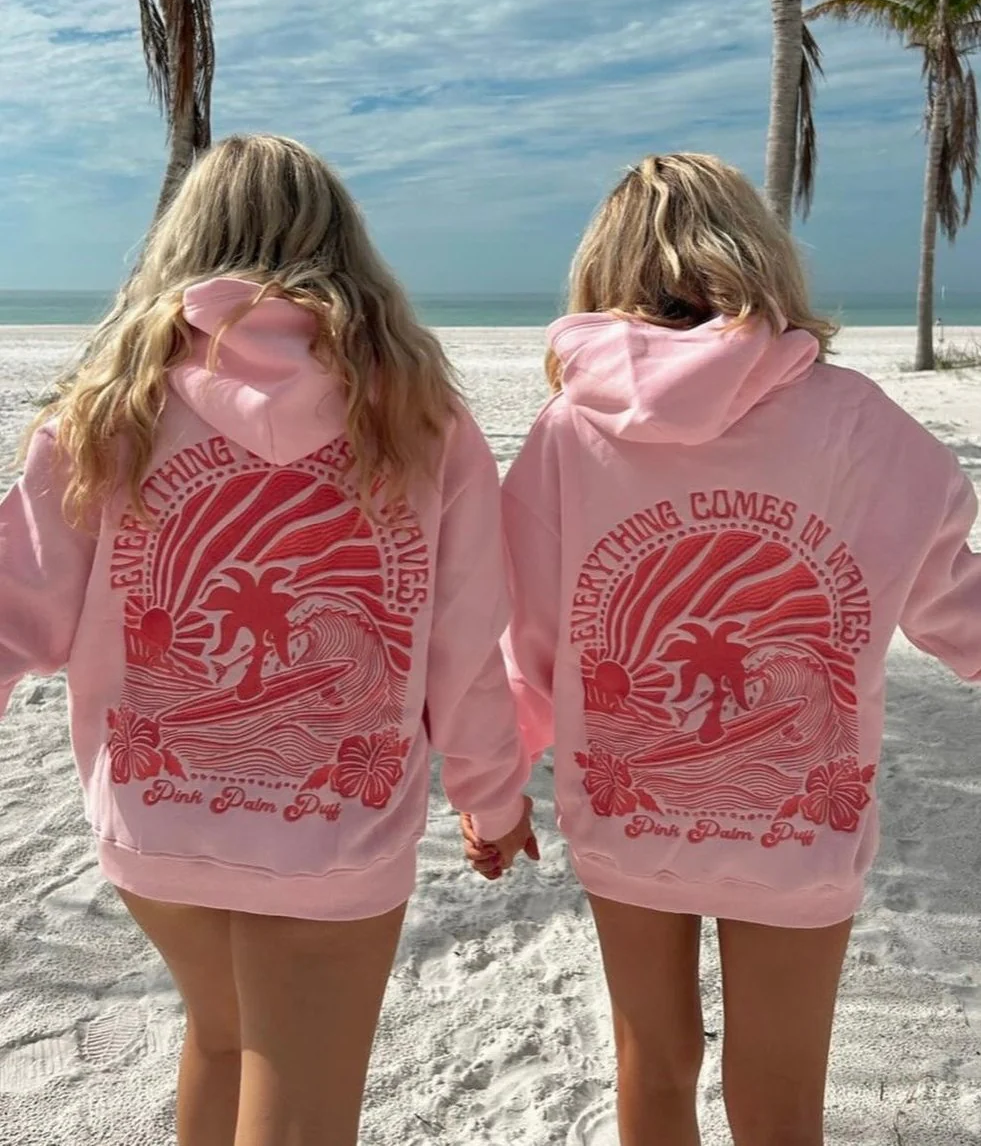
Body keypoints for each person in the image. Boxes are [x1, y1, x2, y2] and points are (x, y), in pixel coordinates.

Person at [0, 135, 536, 1146]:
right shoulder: (423, 420)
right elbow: (466, 649)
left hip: (157, 831)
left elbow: (12, 609)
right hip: (337, 841)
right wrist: (492, 799)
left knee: (223, 1038)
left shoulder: (108, 408)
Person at [463, 153, 981, 1146]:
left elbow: (527, 641)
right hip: (801, 835)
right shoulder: (855, 420)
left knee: (652, 1067)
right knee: (779, 1098)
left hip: (628, 820)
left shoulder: (570, 430)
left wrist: (496, 789)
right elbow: (954, 600)